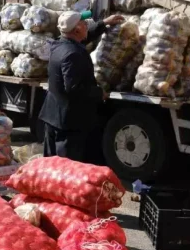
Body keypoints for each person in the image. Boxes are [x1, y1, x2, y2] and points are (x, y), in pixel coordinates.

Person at [38, 11, 125, 161]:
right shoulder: (73, 54)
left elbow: (84, 37)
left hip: (54, 116)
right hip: (68, 123)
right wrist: (99, 93)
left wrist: (104, 24)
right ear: (77, 30)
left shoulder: (59, 44)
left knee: (51, 165)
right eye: (84, 23)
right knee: (66, 167)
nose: (87, 25)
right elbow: (74, 89)